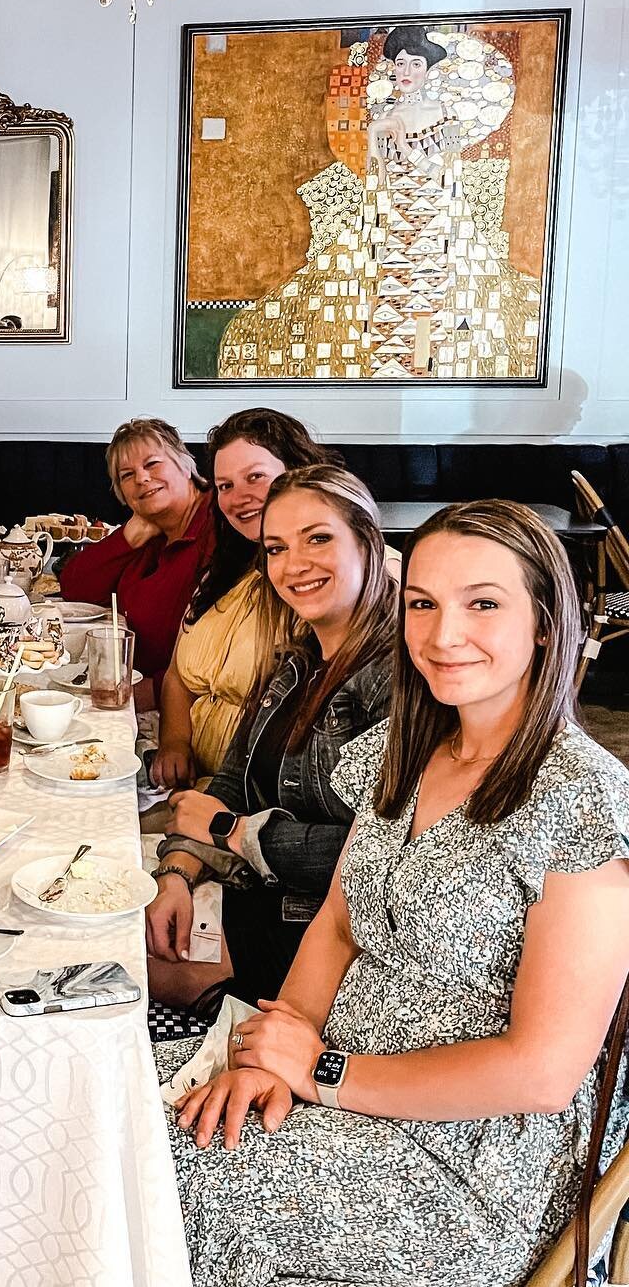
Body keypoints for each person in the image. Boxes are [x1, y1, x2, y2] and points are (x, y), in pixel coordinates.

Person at [162, 499, 629, 1287]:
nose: (444, 634)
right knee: (109, 1100)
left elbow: (543, 1071)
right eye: (423, 602)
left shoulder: (582, 801)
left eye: (483, 602)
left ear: (546, 623)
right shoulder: (403, 753)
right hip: (336, 1076)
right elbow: (340, 923)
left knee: (167, 1178)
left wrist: (324, 1072)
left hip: (471, 1159)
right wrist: (278, 1052)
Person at [146, 466, 395, 1012]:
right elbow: (233, 778)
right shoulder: (298, 657)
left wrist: (230, 832)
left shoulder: (397, 674)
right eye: (277, 548)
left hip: (339, 935)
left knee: (122, 974)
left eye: (319, 539)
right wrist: (177, 875)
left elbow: (385, 853)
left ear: (368, 542)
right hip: (261, 895)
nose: (294, 565)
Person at [216, 22, 542, 381]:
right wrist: (374, 135)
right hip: (394, 219)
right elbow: (376, 178)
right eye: (400, 62)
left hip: (436, 223)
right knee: (382, 297)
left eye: (415, 63)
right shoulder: (384, 113)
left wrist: (403, 146)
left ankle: (425, 374)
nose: (406, 71)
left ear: (428, 69)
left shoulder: (443, 114)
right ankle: (387, 377)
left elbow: (446, 177)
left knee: (431, 306)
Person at [152, 410, 339, 789]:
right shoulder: (225, 571)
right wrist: (174, 744)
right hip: (193, 782)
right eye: (225, 486)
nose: (240, 498)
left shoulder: (330, 579)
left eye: (256, 477)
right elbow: (178, 676)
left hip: (257, 800)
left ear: (298, 471)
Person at [58, 417, 215, 700]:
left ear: (185, 464)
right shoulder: (149, 533)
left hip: (177, 708)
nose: (142, 478)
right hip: (128, 685)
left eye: (153, 464)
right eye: (126, 475)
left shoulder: (217, 530)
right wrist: (127, 537)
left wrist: (141, 695)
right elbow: (75, 587)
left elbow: (212, 656)